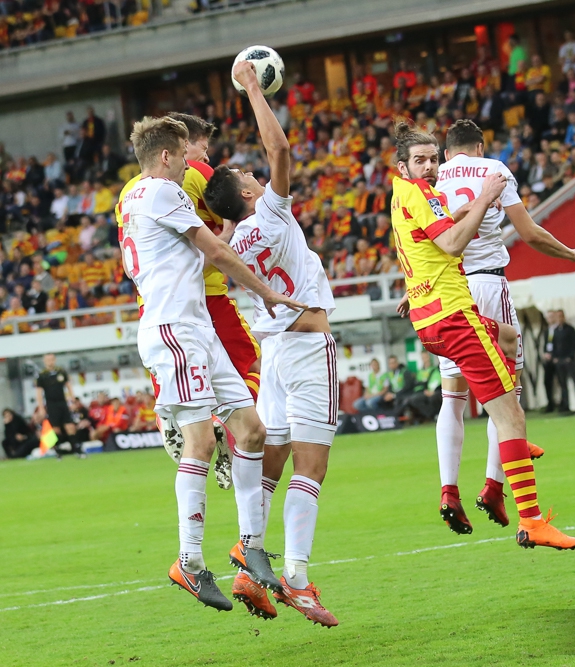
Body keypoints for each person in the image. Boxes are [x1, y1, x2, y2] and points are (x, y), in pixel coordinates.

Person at [121, 115, 304, 611]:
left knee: (251, 430)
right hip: (173, 330)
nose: (190, 165)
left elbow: (191, 259)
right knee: (201, 441)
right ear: (165, 156)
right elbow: (216, 251)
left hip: (195, 327)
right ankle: (189, 561)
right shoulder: (162, 191)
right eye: (184, 156)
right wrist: (266, 292)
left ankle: (250, 545)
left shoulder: (133, 196)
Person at [391, 119, 575, 550]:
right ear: (403, 165)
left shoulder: (408, 194)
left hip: (430, 314)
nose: (429, 167)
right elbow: (453, 243)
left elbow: (427, 241)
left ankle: (459, 485)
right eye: (420, 161)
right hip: (459, 311)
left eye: (432, 159)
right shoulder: (466, 179)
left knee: (498, 351)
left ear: (444, 155)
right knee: (510, 413)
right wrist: (484, 198)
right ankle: (528, 516)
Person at [204, 60, 339, 626]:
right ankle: (298, 580)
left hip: (276, 354)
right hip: (307, 347)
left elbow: (221, 239)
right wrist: (253, 90)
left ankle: (247, 559)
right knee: (312, 467)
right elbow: (280, 149)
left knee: (272, 463)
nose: (257, 175)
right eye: (248, 175)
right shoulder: (273, 215)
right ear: (247, 192)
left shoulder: (231, 245)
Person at [117, 112, 263, 491]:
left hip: (153, 303)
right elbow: (237, 216)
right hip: (202, 297)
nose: (203, 157)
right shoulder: (192, 177)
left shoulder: (129, 191)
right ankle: (218, 428)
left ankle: (172, 417)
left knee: (182, 390)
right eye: (198, 148)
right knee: (252, 364)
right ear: (173, 151)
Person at [34, 353, 83, 457]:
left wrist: (73, 400)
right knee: (55, 429)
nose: (50, 362)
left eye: (52, 359)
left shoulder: (61, 372)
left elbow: (68, 386)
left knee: (70, 426)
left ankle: (77, 450)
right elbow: (39, 393)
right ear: (44, 361)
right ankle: (59, 451)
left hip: (62, 403)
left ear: (55, 360)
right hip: (51, 404)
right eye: (48, 360)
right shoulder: (42, 375)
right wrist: (41, 408)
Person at [551, 310, 575, 413]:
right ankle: (565, 405)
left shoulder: (570, 329)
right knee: (563, 384)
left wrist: (570, 356)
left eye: (561, 316)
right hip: (559, 360)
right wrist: (555, 357)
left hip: (569, 360)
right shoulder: (555, 331)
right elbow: (554, 345)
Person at [402, 350, 443, 423]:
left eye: (426, 357)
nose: (425, 359)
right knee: (414, 399)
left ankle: (435, 415)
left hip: (435, 391)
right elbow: (418, 384)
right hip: (424, 391)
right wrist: (424, 390)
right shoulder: (420, 372)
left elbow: (439, 382)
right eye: (423, 357)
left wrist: (433, 391)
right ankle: (431, 415)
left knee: (434, 398)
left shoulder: (435, 369)